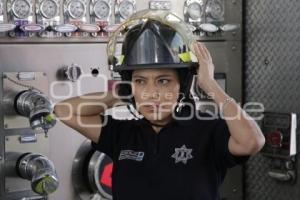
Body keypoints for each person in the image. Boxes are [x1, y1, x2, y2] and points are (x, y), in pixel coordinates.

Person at [54, 13, 265, 200]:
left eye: (163, 81)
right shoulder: (122, 133)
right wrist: (122, 93)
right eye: (140, 80)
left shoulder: (208, 130)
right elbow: (64, 110)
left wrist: (210, 85)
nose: (152, 93)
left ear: (182, 85)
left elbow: (252, 142)